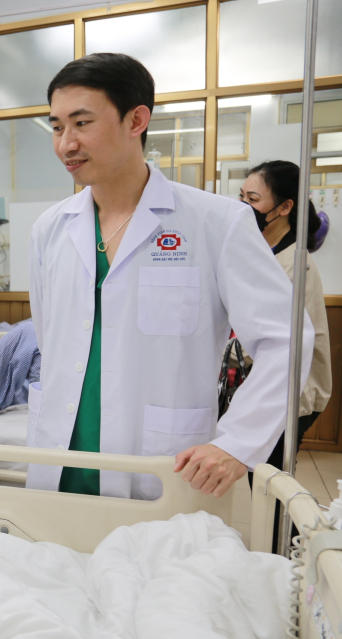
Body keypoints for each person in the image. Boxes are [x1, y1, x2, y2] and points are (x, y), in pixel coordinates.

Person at [30, 53, 314, 500]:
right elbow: (51, 340)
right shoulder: (50, 229)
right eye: (57, 126)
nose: (66, 144)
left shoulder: (216, 223)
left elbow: (287, 341)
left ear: (136, 120)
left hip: (162, 468)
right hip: (60, 458)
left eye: (82, 123)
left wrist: (238, 443)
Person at [239, 160, 331, 469]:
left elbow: (274, 338)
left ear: (284, 207)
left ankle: (295, 521)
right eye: (241, 197)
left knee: (269, 484)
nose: (243, 207)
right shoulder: (262, 251)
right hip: (270, 384)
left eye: (253, 200)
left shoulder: (293, 265)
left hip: (293, 391)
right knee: (263, 479)